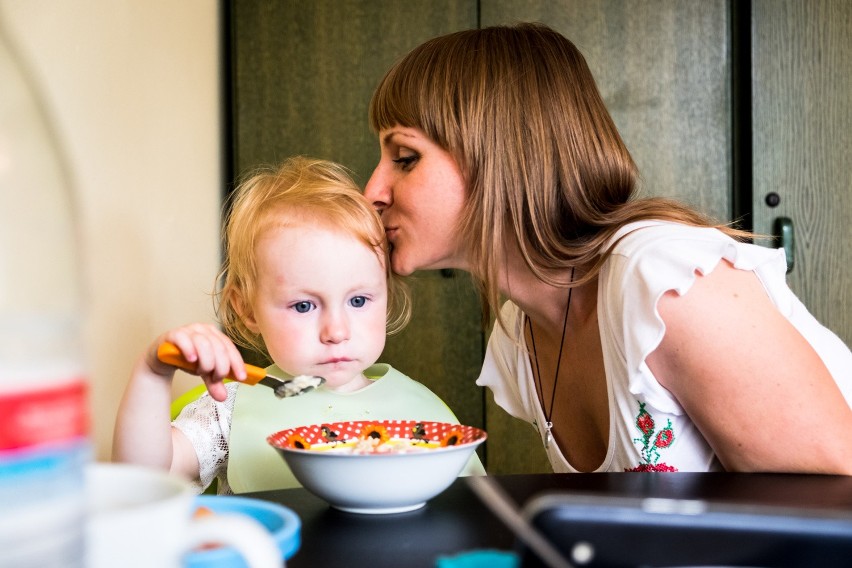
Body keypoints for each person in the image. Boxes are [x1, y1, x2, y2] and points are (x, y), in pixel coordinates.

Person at [363, 23, 852, 474]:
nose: (373, 192)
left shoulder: (664, 284)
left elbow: (832, 506)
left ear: (504, 157)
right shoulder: (520, 333)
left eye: (405, 158)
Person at [113, 156, 485, 494]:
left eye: (358, 301)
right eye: (304, 305)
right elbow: (142, 479)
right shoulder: (228, 412)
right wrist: (153, 372)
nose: (336, 332)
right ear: (248, 310)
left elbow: (472, 513)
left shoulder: (423, 411)